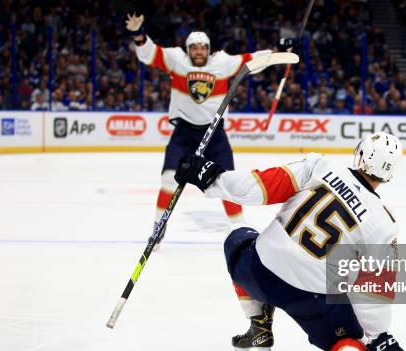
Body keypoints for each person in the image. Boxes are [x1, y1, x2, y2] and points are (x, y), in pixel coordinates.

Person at [174, 132, 406, 351]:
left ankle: (259, 327)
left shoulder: (320, 166)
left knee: (237, 237)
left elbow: (260, 186)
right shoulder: (385, 225)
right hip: (308, 297)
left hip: (259, 270)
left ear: (361, 154)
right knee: (348, 339)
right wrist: (379, 338)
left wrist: (211, 177)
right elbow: (373, 290)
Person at [125, 13, 299, 245]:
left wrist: (278, 52)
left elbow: (253, 61)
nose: (198, 52)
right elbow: (150, 54)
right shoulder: (177, 60)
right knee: (169, 180)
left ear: (209, 49)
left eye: (202, 48)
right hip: (184, 133)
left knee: (228, 183)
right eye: (194, 48)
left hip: (214, 134)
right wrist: (138, 34)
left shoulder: (223, 63)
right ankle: (158, 227)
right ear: (188, 49)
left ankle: (240, 229)